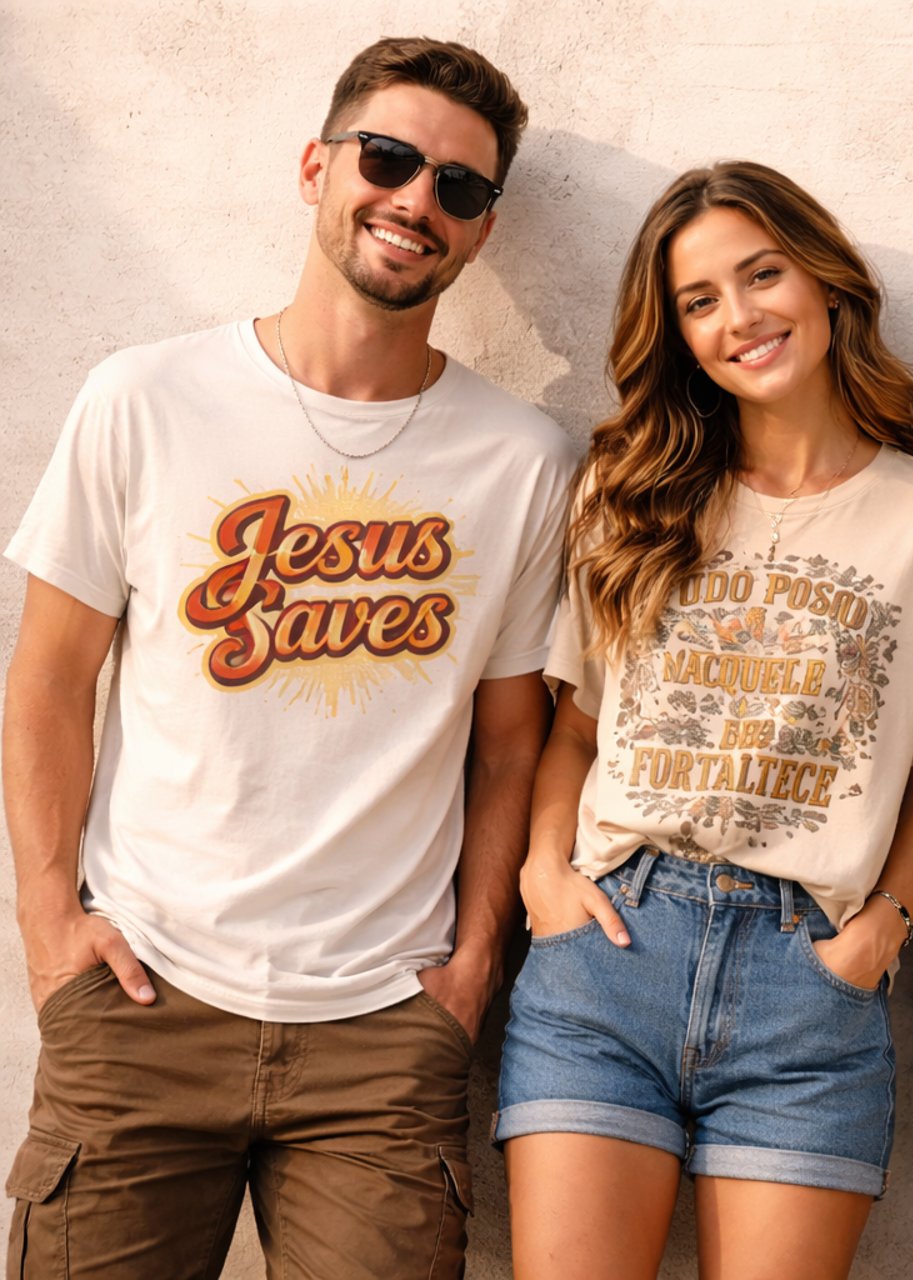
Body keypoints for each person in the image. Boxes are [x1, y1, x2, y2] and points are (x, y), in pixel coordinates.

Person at [2, 36, 572, 1276]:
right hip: (141, 995)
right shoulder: (143, 398)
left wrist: (471, 965)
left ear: (478, 232)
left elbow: (510, 738)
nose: (417, 199)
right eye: (389, 158)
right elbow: (48, 679)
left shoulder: (519, 458)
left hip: (382, 1035)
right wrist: (52, 931)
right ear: (318, 166)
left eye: (459, 188)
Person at [495, 160, 913, 1280]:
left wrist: (879, 931)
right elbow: (579, 727)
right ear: (679, 336)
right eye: (700, 300)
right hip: (608, 957)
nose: (740, 317)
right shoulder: (629, 491)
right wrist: (546, 876)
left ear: (826, 282)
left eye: (761, 274)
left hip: (808, 985)